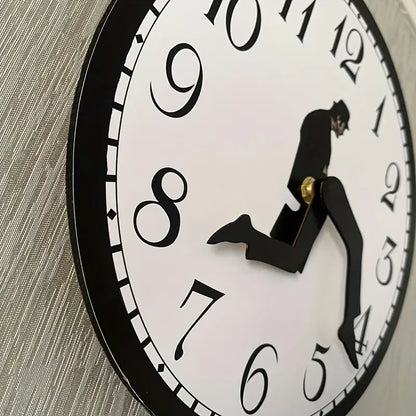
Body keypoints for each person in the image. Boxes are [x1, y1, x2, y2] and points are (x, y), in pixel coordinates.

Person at [208, 101, 362, 368]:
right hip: (325, 190)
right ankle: (349, 323)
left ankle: (246, 232)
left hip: (315, 197)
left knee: (292, 261)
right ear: (339, 119)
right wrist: (308, 185)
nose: (343, 131)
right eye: (344, 126)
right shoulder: (319, 120)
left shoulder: (318, 121)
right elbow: (306, 164)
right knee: (356, 242)